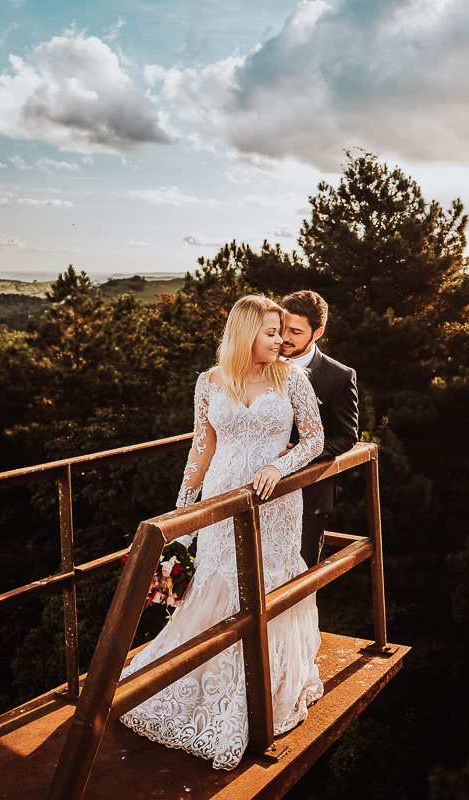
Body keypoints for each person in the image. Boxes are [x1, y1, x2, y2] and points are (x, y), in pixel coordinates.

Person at [119, 295, 324, 770]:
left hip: (273, 504)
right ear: (245, 332)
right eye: (271, 331)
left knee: (267, 585)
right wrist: (181, 518)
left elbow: (313, 438)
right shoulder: (208, 382)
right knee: (218, 581)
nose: (280, 340)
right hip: (220, 497)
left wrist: (280, 464)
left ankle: (265, 685)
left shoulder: (293, 378)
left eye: (283, 331)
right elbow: (201, 447)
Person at [280, 290, 359, 568]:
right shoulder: (260, 363)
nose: (284, 337)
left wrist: (306, 452)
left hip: (309, 494)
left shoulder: (338, 376)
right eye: (281, 328)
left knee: (299, 575)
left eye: (296, 331)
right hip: (260, 490)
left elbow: (348, 436)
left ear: (317, 332)